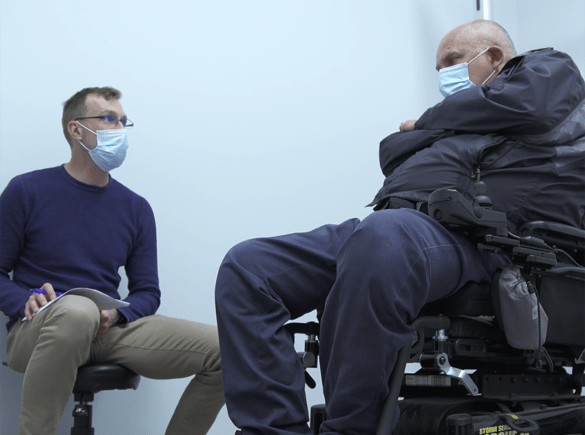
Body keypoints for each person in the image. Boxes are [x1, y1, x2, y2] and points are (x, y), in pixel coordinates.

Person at [214, 20, 585, 435]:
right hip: (406, 225)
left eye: (453, 62)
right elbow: (393, 152)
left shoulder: (548, 71)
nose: (444, 75)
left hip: (485, 239)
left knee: (385, 238)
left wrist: (428, 122)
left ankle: (351, 430)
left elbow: (533, 102)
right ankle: (273, 430)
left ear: (495, 57)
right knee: (248, 267)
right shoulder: (471, 121)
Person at [0, 86, 224, 435]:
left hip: (106, 329)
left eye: (123, 121)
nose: (120, 129)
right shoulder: (26, 191)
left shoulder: (135, 208)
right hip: (39, 328)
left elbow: (148, 291)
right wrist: (23, 299)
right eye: (108, 119)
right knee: (76, 310)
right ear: (76, 130)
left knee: (227, 351)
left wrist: (118, 312)